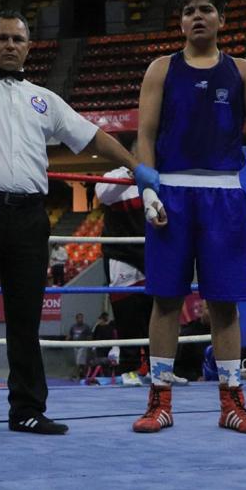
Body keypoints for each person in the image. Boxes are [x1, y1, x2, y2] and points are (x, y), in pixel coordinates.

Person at [0, 0, 154, 440]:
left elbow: (91, 136)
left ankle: (27, 409)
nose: (10, 45)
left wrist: (138, 169)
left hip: (30, 218)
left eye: (18, 38)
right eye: (2, 38)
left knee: (27, 318)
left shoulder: (44, 99)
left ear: (30, 47)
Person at [132, 0, 246, 436]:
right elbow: (146, 136)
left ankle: (232, 401)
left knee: (225, 301)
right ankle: (160, 400)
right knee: (167, 299)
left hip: (226, 193)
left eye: (206, 9)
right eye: (190, 10)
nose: (198, 16)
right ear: (180, 21)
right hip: (171, 192)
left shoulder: (244, 71)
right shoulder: (160, 69)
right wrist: (149, 191)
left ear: (221, 19)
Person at [94, 156, 154, 375]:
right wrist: (134, 173)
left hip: (150, 253)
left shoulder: (158, 177)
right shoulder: (114, 176)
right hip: (122, 255)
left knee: (155, 312)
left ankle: (158, 368)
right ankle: (129, 368)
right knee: (127, 312)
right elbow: (102, 194)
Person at [67, 312, 93, 380]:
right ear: (76, 319)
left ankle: (76, 375)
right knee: (77, 362)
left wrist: (89, 344)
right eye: (79, 318)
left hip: (82, 346)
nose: (80, 319)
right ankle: (81, 374)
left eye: (81, 318)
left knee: (79, 361)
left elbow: (89, 336)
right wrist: (66, 341)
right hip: (75, 346)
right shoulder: (73, 327)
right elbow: (70, 335)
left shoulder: (86, 327)